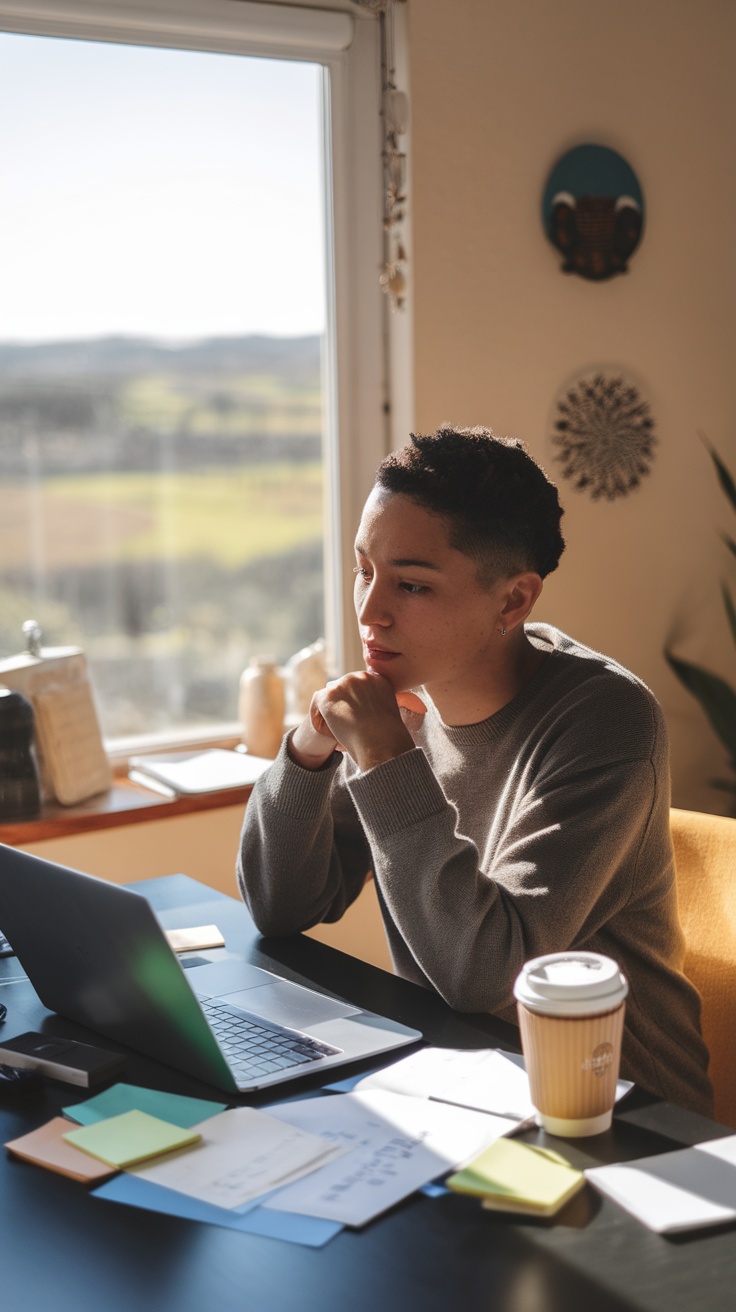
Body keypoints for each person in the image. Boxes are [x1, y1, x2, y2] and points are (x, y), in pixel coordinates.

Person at [237, 425, 713, 1116]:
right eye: (363, 570)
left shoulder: (608, 724)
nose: (370, 612)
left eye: (411, 585)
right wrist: (308, 752)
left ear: (514, 601)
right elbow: (281, 908)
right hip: (466, 1089)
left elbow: (485, 974)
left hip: (621, 1121)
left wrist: (385, 759)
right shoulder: (406, 699)